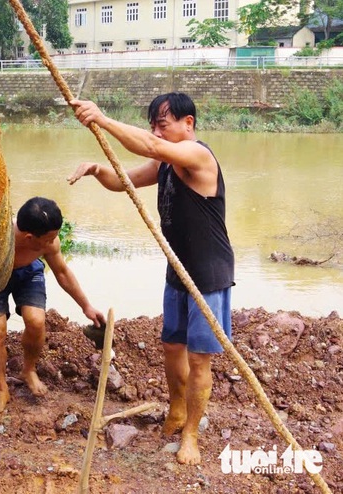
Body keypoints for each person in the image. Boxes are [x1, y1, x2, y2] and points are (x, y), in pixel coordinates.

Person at [67, 92, 234, 465]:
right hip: (177, 269)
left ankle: (191, 433)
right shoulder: (163, 165)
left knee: (200, 359)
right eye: (154, 125)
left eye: (163, 124)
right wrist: (97, 169)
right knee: (172, 346)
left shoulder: (197, 156)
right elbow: (122, 181)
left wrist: (103, 119)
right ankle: (176, 410)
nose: (155, 132)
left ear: (187, 124)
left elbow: (149, 145)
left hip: (207, 275)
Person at [0, 197, 105, 413]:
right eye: (49, 239)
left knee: (36, 321)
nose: (53, 242)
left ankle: (28, 370)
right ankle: (1, 389)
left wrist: (86, 306)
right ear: (29, 237)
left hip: (28, 273)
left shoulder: (48, 242)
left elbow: (62, 273)